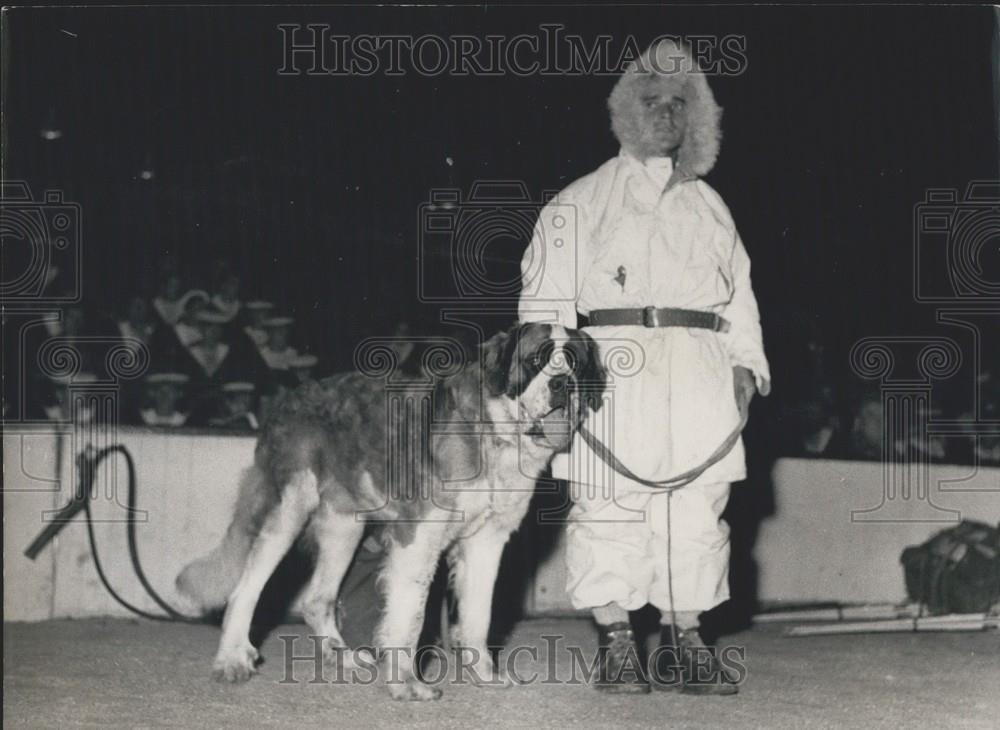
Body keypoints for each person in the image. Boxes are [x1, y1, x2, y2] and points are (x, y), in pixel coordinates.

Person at [518, 39, 770, 695]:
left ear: (700, 117)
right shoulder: (581, 199)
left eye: (678, 104)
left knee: (697, 509)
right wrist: (559, 386)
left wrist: (746, 363)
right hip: (612, 368)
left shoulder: (712, 207)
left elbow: (740, 295)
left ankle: (686, 641)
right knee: (609, 505)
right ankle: (618, 641)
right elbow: (543, 307)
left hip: (699, 371)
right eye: (651, 102)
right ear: (625, 112)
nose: (664, 115)